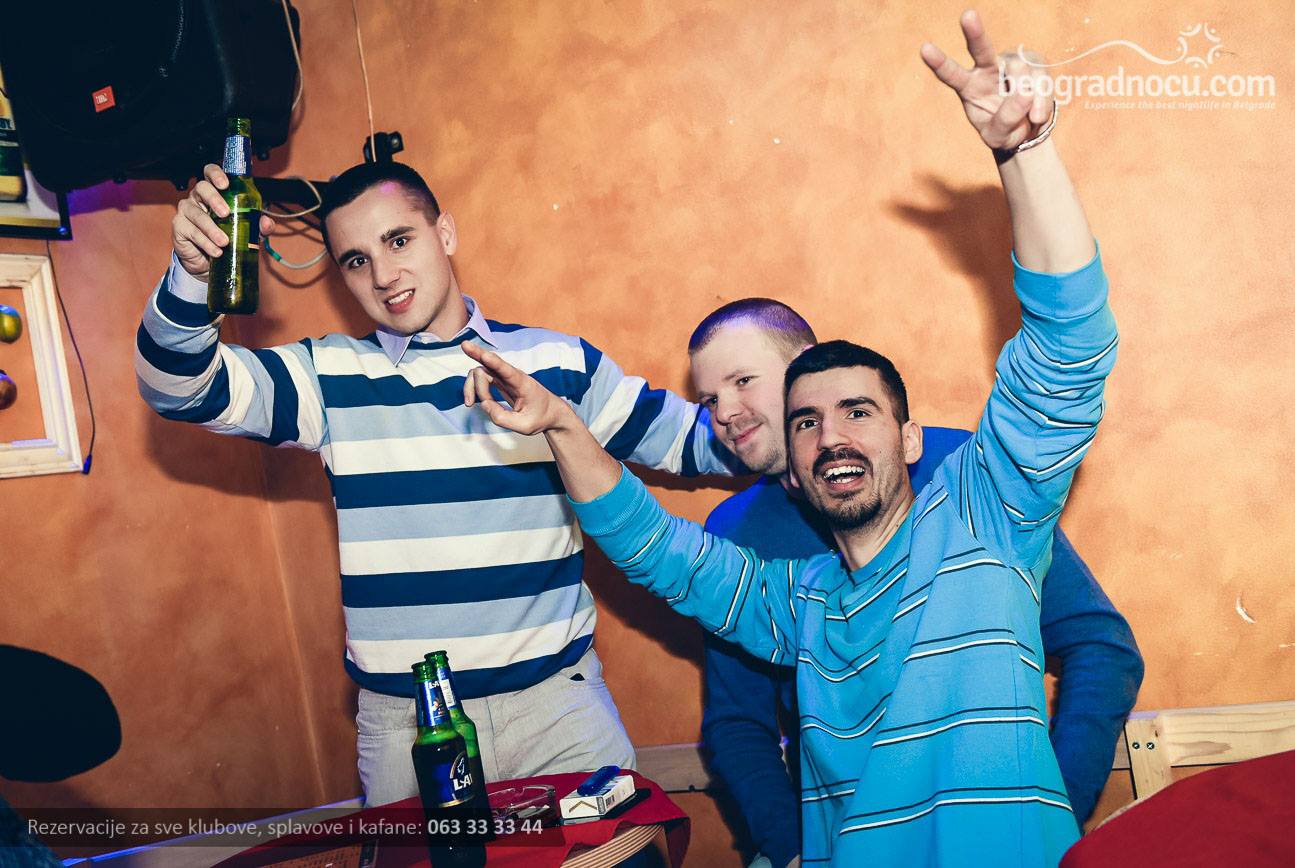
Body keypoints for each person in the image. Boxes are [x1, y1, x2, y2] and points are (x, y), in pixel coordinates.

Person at [459, 11, 1118, 864]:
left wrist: (1026, 154)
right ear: (796, 472)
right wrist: (561, 426)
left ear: (911, 440)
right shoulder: (795, 605)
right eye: (805, 421)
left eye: (858, 412)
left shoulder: (987, 522)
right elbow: (654, 547)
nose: (830, 435)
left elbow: (1069, 347)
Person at [134, 159, 738, 805]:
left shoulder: (556, 362)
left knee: (617, 852)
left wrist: (797, 425)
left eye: (399, 240)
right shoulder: (327, 377)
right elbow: (177, 387)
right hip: (409, 731)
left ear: (444, 233)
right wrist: (191, 275)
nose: (383, 275)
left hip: (558, 715)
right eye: (357, 261)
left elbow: (696, 441)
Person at [689, 299, 1143, 866]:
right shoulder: (733, 532)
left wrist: (1051, 815)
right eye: (709, 399)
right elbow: (737, 723)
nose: (726, 413)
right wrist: (790, 849)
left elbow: (1101, 647)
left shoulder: (959, 471)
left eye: (742, 381)